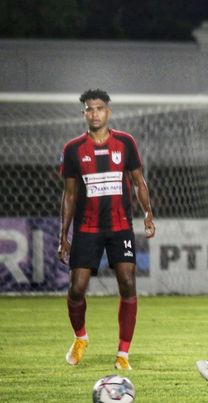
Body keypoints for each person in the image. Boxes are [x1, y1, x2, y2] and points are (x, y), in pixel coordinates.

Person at [58, 89, 156, 370]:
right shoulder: (73, 149)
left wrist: (148, 213)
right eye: (89, 109)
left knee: (127, 282)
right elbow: (69, 194)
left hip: (120, 226)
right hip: (87, 228)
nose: (94, 113)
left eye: (99, 108)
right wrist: (63, 235)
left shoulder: (125, 143)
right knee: (76, 289)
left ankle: (123, 354)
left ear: (108, 112)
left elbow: (139, 182)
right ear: (84, 114)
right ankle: (80, 338)